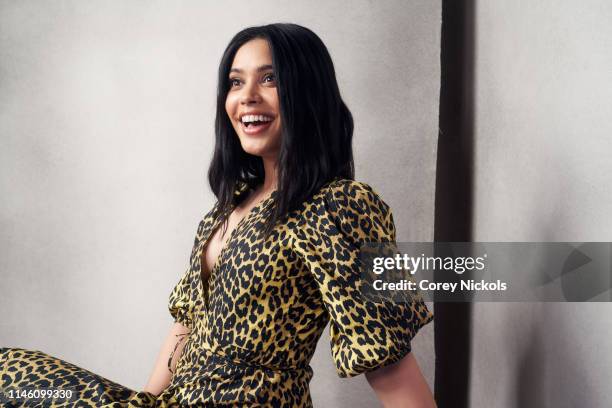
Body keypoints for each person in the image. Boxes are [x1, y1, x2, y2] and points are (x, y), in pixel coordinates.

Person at [0, 23, 435, 407]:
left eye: (270, 79)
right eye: (234, 82)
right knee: (11, 374)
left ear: (307, 91)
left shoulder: (341, 205)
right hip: (181, 400)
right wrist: (144, 402)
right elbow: (187, 323)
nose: (246, 97)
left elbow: (387, 357)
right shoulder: (228, 207)